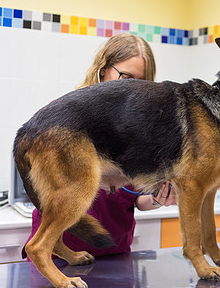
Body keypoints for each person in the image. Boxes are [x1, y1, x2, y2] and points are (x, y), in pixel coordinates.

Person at [24, 33, 177, 259]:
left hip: (114, 252)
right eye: (126, 77)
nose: (134, 88)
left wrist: (158, 199)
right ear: (103, 69)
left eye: (142, 82)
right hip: (58, 253)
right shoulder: (62, 119)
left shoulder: (140, 131)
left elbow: (137, 198)